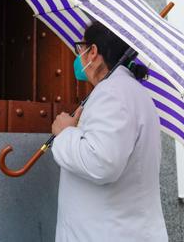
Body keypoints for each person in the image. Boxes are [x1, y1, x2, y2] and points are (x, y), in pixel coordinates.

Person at [51, 21, 168, 242]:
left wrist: (65, 133)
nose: (78, 58)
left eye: (80, 49)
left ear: (93, 52)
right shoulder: (130, 92)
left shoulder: (112, 93)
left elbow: (101, 163)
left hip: (107, 232)